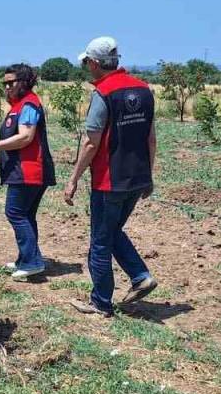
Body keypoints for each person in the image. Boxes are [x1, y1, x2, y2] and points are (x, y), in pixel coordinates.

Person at [63, 37, 158, 316]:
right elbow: (151, 139)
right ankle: (140, 276)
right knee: (113, 231)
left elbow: (91, 143)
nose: (86, 67)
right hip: (137, 178)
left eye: (86, 63)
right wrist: (148, 176)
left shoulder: (102, 94)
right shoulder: (144, 90)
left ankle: (101, 302)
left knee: (101, 241)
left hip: (109, 180)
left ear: (94, 62)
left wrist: (73, 179)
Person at [0, 63, 56, 281]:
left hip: (29, 170)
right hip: (25, 170)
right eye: (4, 83)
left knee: (15, 213)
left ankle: (32, 262)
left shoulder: (29, 104)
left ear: (23, 83)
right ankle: (27, 259)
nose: (6, 87)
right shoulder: (20, 104)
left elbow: (25, 137)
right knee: (26, 215)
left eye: (10, 83)